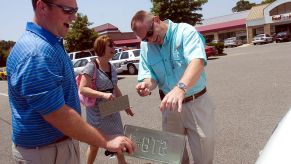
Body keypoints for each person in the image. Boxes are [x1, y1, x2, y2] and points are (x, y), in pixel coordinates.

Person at [6, 0, 134, 163]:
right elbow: (58, 114)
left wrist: (123, 104)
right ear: (42, 6)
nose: (73, 17)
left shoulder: (51, 44)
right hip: (46, 153)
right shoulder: (37, 53)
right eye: (67, 10)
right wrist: (106, 141)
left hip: (58, 146)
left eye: (75, 11)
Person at [131, 10, 215, 164]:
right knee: (174, 157)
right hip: (169, 107)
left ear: (156, 20)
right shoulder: (146, 46)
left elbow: (197, 62)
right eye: (144, 39)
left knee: (203, 157)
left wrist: (180, 88)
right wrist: (146, 85)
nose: (149, 40)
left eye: (149, 34)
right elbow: (150, 76)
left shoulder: (185, 31)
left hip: (195, 103)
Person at [79, 35, 134, 164]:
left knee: (118, 138)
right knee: (95, 144)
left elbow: (115, 89)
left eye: (113, 45)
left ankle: (123, 163)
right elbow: (82, 89)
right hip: (96, 111)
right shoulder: (91, 66)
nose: (113, 48)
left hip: (111, 108)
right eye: (110, 45)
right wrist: (103, 95)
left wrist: (126, 106)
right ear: (101, 47)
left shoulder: (112, 68)